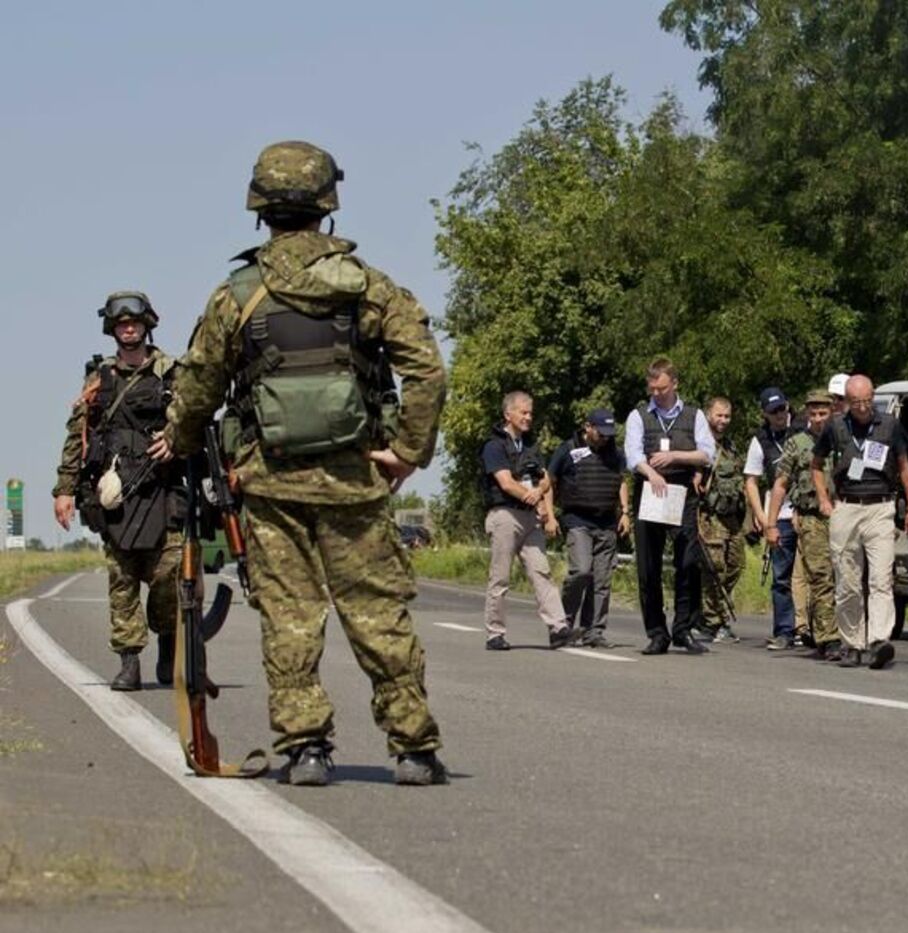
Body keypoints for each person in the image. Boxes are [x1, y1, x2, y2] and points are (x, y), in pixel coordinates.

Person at [149, 141, 447, 786]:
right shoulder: (369, 286)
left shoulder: (237, 295)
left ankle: (306, 747)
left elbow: (199, 384)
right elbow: (426, 368)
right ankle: (413, 749)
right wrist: (407, 452)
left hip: (271, 483)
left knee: (289, 616)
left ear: (261, 209)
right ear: (326, 206)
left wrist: (179, 438)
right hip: (355, 481)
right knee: (377, 613)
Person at [53, 292, 184, 692]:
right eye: (122, 324)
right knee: (122, 579)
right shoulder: (98, 379)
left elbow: (196, 417)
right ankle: (129, 662)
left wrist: (175, 436)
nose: (129, 329)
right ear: (113, 330)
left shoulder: (171, 372)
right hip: (115, 495)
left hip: (162, 489)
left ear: (147, 325)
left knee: (168, 576)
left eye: (135, 322)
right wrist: (65, 489)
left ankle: (167, 641)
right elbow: (78, 436)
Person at [811, 374, 908, 668]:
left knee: (881, 579)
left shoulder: (889, 426)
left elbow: (905, 467)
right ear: (846, 401)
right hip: (846, 507)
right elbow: (817, 465)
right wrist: (823, 498)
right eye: (856, 402)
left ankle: (878, 641)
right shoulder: (834, 426)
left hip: (880, 507)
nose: (861, 407)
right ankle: (852, 642)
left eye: (867, 401)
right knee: (848, 581)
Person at [624, 358, 716, 655]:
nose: (656, 394)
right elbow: (632, 454)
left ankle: (683, 628)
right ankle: (657, 632)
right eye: (652, 389)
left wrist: (676, 456)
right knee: (648, 568)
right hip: (650, 492)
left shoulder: (694, 415)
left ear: (674, 384)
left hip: (682, 493)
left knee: (688, 563)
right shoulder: (638, 416)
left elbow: (707, 455)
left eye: (661, 388)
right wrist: (651, 473)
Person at [482, 391, 572, 651]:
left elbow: (544, 479)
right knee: (500, 576)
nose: (528, 417)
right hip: (505, 515)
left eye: (530, 412)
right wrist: (532, 496)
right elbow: (506, 483)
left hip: (530, 517)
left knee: (541, 571)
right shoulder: (494, 446)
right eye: (523, 412)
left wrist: (542, 499)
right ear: (508, 414)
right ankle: (494, 633)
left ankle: (558, 628)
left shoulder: (531, 445)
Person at [548, 408, 630, 649]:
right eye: (600, 433)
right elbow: (549, 482)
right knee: (581, 572)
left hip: (606, 522)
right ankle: (563, 625)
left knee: (601, 581)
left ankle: (593, 631)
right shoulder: (568, 450)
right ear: (588, 427)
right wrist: (550, 516)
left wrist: (625, 512)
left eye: (608, 434)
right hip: (578, 521)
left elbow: (622, 480)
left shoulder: (615, 453)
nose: (604, 438)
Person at [766, 390, 839, 659]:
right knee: (820, 577)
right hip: (811, 518)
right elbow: (781, 483)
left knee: (846, 577)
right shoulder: (796, 443)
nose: (819, 419)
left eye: (823, 413)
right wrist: (771, 524)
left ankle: (848, 633)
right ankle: (827, 637)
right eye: (814, 414)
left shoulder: (843, 440)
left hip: (844, 515)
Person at [744, 387, 800, 650]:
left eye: (783, 409)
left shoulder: (802, 427)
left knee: (815, 574)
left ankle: (812, 629)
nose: (780, 415)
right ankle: (784, 631)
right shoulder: (760, 440)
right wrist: (763, 516)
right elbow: (752, 481)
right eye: (774, 411)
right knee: (781, 576)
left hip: (805, 511)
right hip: (779, 515)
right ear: (764, 414)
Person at [696, 396, 746, 643]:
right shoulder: (702, 445)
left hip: (732, 518)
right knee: (714, 569)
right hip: (710, 517)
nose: (723, 421)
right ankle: (712, 622)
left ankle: (717, 613)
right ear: (708, 415)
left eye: (727, 416)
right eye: (719, 415)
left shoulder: (731, 446)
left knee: (736, 565)